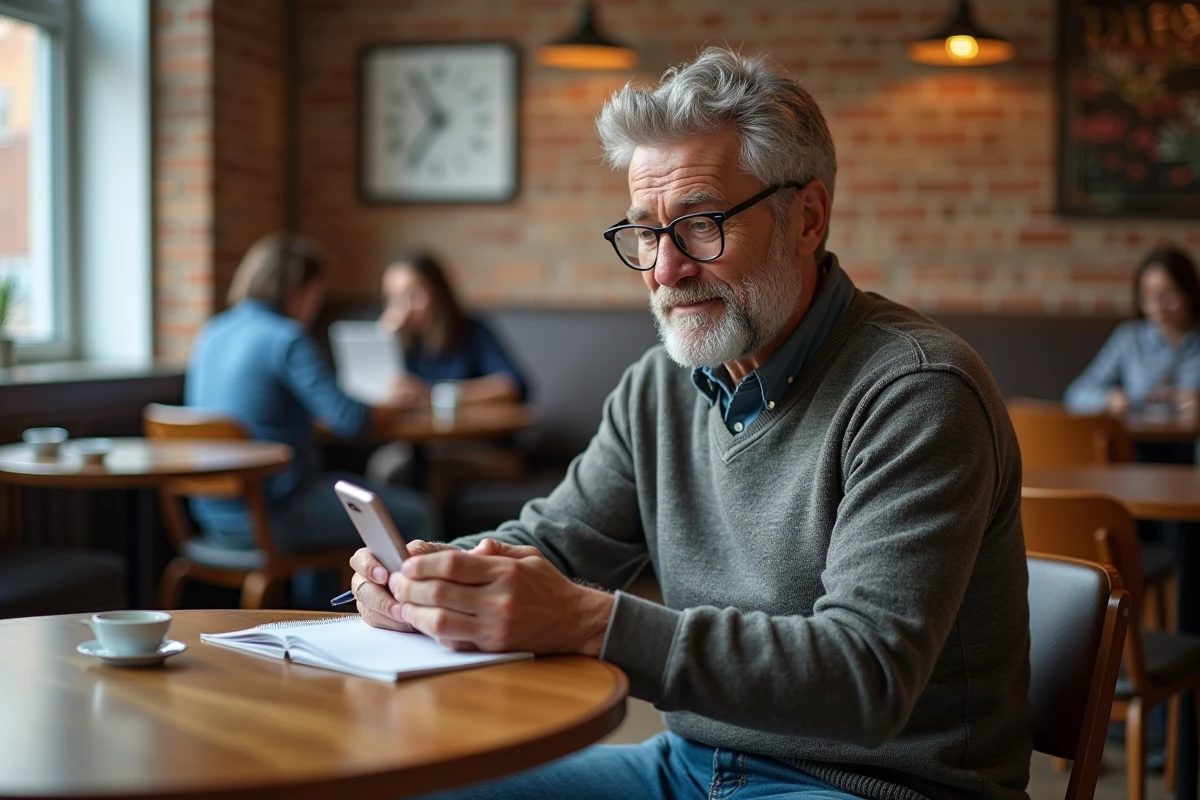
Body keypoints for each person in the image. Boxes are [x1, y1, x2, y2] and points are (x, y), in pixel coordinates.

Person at [351, 49, 1031, 800]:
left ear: (806, 219)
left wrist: (589, 623)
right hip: (687, 767)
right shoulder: (660, 389)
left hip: (875, 785)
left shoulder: (918, 390)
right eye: (647, 233)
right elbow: (553, 544)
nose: (666, 270)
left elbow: (865, 675)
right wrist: (425, 574)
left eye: (702, 224)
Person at [185, 233, 438, 604]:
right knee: (418, 514)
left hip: (209, 515)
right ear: (298, 292)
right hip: (269, 516)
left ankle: (316, 615)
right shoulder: (286, 337)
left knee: (323, 498)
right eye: (316, 296)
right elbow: (348, 419)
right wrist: (394, 403)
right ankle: (420, 631)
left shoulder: (213, 331)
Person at [366, 249, 528, 490]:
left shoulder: (471, 332)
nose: (404, 308)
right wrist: (382, 342)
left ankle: (422, 528)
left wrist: (431, 394)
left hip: (488, 450)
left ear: (438, 293)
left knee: (427, 472)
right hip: (426, 447)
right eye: (393, 299)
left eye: (413, 295)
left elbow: (511, 387)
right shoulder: (403, 343)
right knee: (383, 466)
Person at [1065, 245, 1200, 421]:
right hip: (1138, 444)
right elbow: (1075, 395)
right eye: (1149, 295)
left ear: (1189, 293)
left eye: (1169, 293)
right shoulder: (1129, 339)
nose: (1158, 305)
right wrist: (1109, 400)